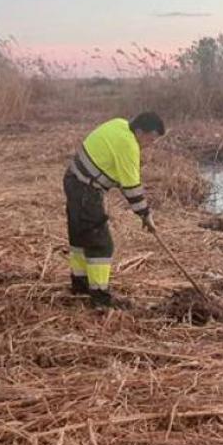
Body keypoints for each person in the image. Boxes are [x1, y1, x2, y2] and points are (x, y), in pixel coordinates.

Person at [64, 112, 165, 307]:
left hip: (73, 179)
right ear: (139, 131)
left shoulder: (119, 124)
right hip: (85, 188)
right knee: (101, 244)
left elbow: (118, 173)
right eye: (150, 138)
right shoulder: (128, 144)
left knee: (80, 237)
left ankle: (80, 284)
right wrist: (145, 215)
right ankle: (100, 297)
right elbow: (131, 187)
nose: (150, 144)